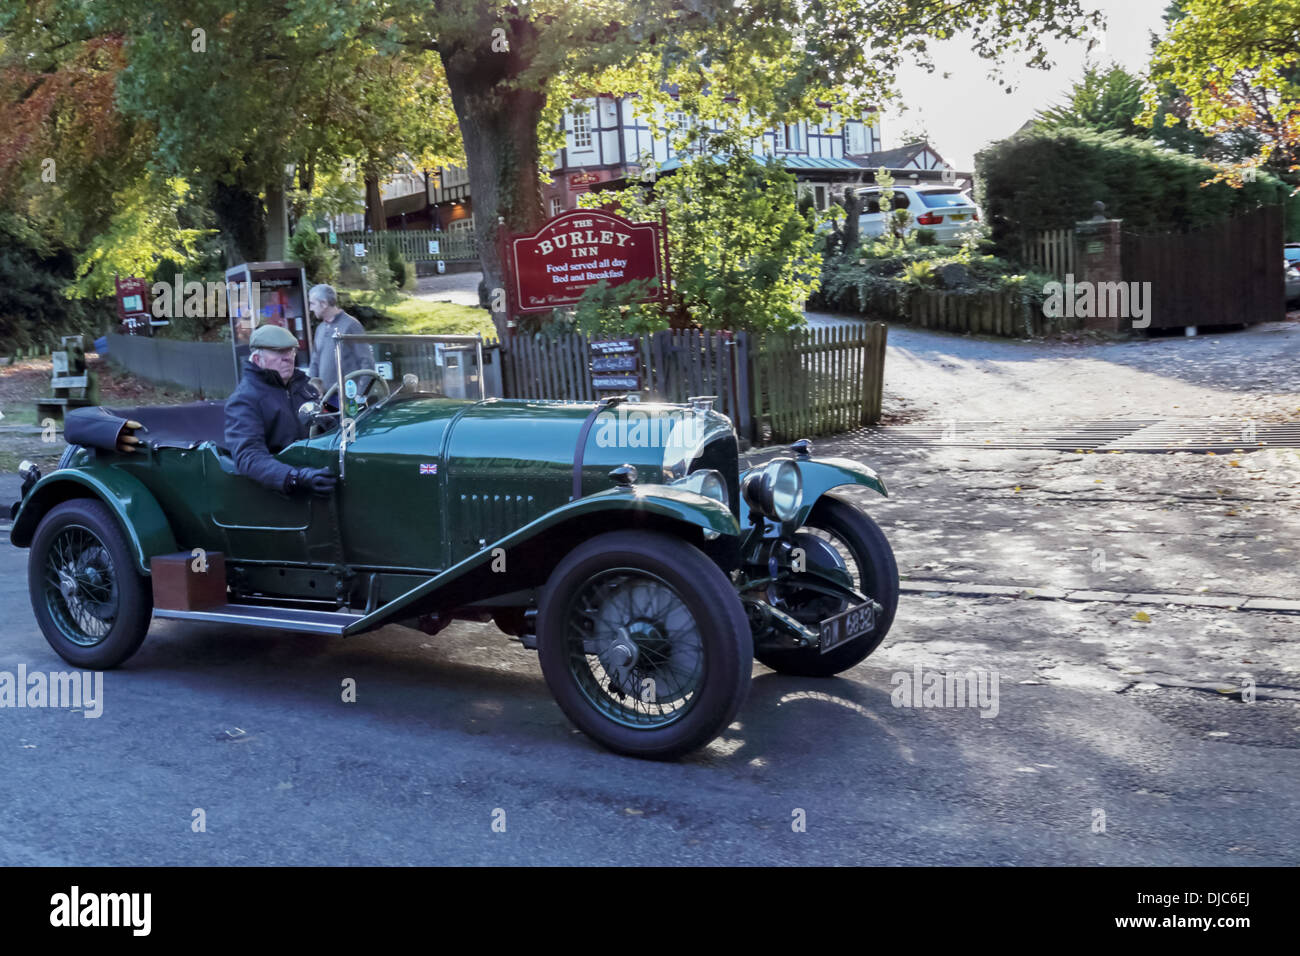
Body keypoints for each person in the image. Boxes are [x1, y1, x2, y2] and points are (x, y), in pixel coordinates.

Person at [224, 324, 337, 496]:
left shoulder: (306, 389)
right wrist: (294, 477)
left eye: (291, 351)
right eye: (278, 352)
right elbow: (248, 456)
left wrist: (350, 415)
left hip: (322, 473)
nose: (288, 358)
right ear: (257, 360)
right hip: (283, 494)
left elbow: (331, 418)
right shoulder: (244, 400)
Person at [307, 284, 374, 401]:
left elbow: (367, 362)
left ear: (324, 304)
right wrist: (312, 390)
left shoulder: (351, 325)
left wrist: (360, 395)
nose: (310, 309)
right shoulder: (320, 328)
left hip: (348, 398)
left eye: (312, 304)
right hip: (326, 398)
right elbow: (314, 362)